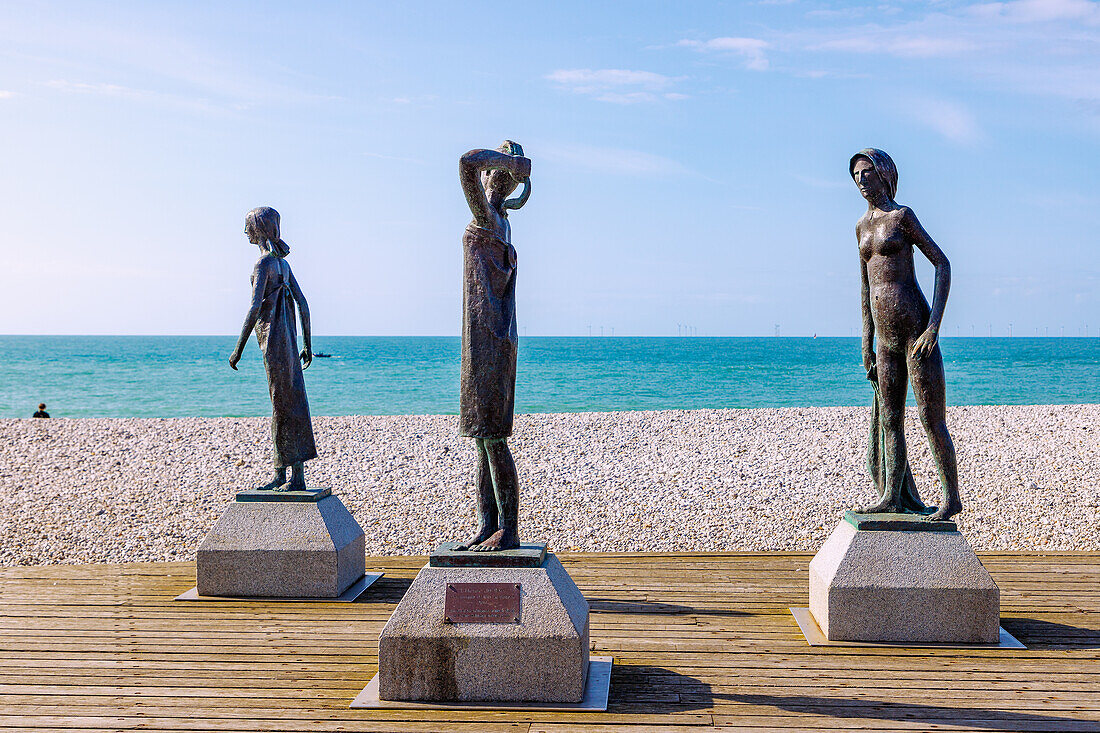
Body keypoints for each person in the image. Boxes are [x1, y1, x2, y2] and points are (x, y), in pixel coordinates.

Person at [851, 148, 962, 521]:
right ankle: (892, 497)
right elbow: (865, 290)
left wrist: (934, 327)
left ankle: (951, 498)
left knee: (931, 419)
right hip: (884, 338)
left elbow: (942, 264)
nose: (861, 180)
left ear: (884, 174)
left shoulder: (903, 217)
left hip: (916, 331)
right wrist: (866, 344)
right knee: (890, 418)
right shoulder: (861, 228)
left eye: (867, 172)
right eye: (855, 175)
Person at [454, 141, 532, 552]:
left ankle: (508, 528)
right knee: (484, 437)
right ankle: (489, 524)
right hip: (488, 336)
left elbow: (466, 160)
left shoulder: (486, 216)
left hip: (487, 338)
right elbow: (512, 197)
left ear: (492, 177)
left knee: (493, 438)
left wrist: (510, 164)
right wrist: (519, 178)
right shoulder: (501, 219)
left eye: (490, 173)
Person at [229, 206, 317, 491]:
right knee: (294, 404)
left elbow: (255, 307)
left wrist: (238, 349)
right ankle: (293, 475)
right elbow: (303, 304)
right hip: (289, 341)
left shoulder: (263, 264)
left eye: (248, 227)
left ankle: (285, 475)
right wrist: (307, 344)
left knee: (281, 405)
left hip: (274, 342)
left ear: (259, 229)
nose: (245, 233)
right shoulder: (284, 266)